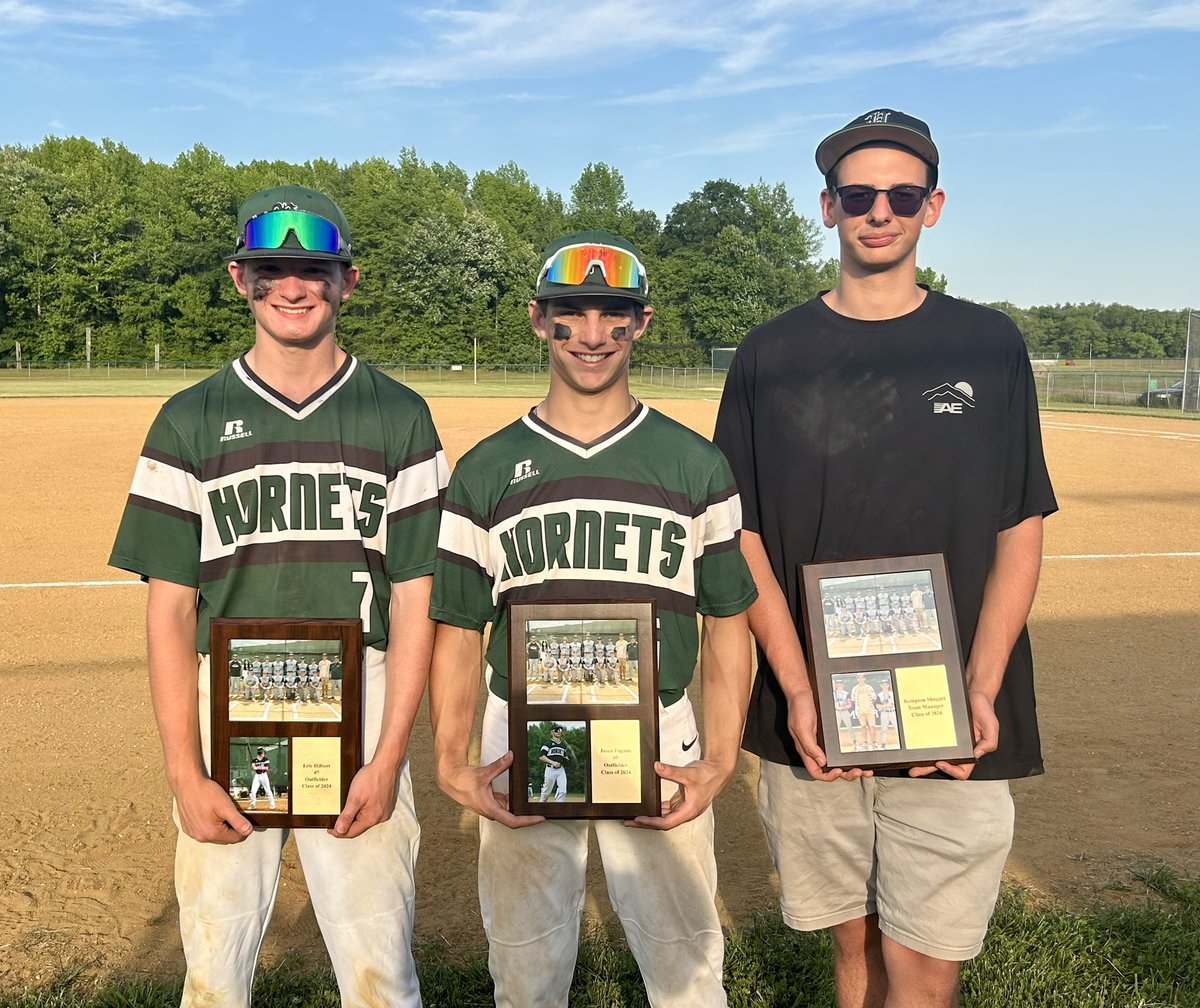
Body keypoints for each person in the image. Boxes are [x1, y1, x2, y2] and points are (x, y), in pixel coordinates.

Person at [713, 109, 1058, 1007]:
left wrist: (980, 685)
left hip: (955, 715)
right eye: (858, 194)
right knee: (855, 947)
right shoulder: (770, 354)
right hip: (819, 710)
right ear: (827, 208)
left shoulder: (987, 345)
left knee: (927, 965)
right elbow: (740, 533)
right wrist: (794, 688)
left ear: (932, 207)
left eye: (901, 195)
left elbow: (1021, 523)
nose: (880, 211)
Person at [108, 184, 448, 1007]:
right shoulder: (189, 418)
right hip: (225, 695)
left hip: (358, 693)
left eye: (313, 269)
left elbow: (415, 600)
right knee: (215, 972)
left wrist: (389, 756)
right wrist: (184, 772)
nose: (293, 287)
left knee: (380, 972)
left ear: (347, 280)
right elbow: (169, 607)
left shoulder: (398, 414)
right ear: (239, 279)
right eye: (272, 270)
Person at [428, 230, 757, 1008]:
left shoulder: (693, 464)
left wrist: (719, 757)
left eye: (615, 314)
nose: (593, 334)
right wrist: (449, 757)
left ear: (641, 323)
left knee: (684, 960)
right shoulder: (485, 468)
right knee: (525, 964)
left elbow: (729, 622)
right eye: (572, 313)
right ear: (539, 320)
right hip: (523, 726)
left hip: (657, 727)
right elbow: (458, 624)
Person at [538, 724, 572, 802]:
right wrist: (552, 762)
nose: (559, 732)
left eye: (560, 730)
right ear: (552, 732)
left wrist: (567, 759)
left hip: (561, 770)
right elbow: (541, 756)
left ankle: (559, 809)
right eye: (556, 730)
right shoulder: (548, 744)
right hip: (550, 769)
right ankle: (540, 808)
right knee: (546, 792)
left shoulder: (563, 745)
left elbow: (564, 757)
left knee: (563, 791)